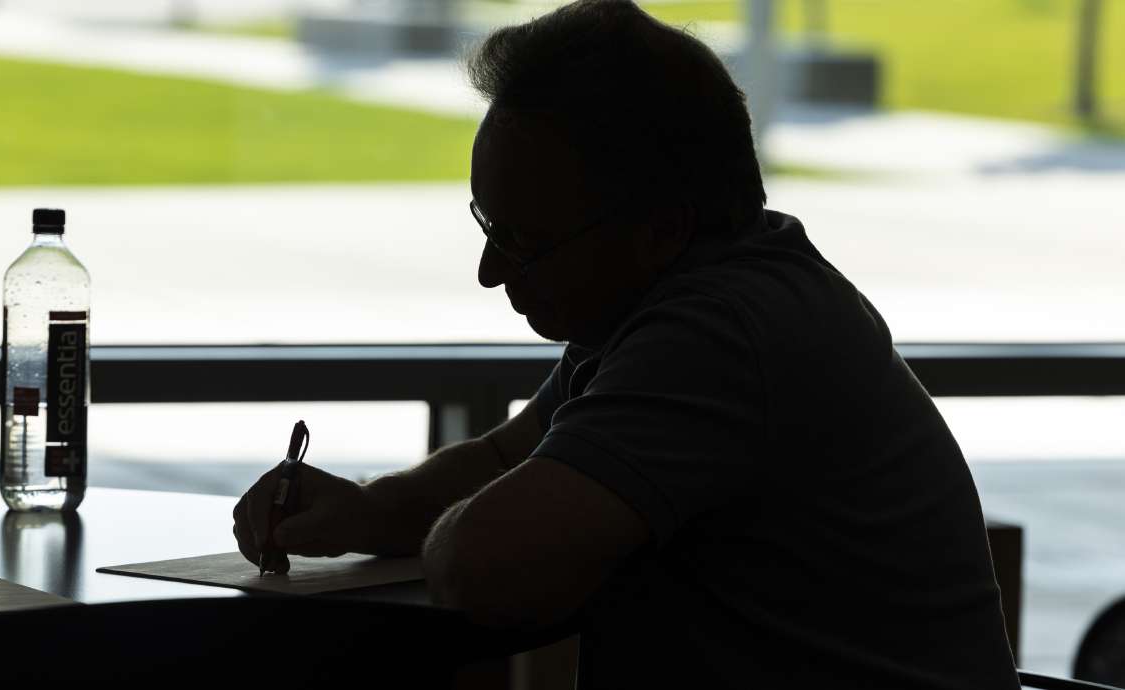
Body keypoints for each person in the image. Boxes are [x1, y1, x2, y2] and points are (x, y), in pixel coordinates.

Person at [233, 1, 1020, 687]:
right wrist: (370, 510)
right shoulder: (677, 296)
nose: (488, 271)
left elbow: (489, 568)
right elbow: (508, 457)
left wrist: (445, 527)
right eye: (487, 225)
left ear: (661, 228)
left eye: (522, 240)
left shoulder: (722, 333)